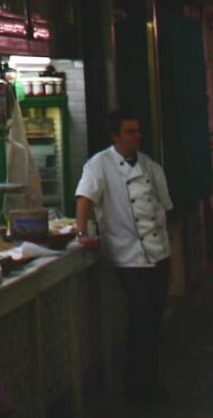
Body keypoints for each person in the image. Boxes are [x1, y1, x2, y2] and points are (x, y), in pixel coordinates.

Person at [75, 109, 173, 399]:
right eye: (129, 132)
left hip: (159, 253)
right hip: (127, 255)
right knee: (141, 313)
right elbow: (84, 198)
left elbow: (163, 207)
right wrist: (83, 233)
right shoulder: (99, 165)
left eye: (138, 131)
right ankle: (134, 381)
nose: (136, 137)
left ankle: (148, 381)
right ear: (115, 135)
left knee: (154, 318)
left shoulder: (150, 166)